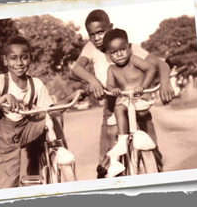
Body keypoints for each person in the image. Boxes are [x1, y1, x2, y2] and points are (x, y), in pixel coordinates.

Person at [71, 9, 174, 178]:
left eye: (101, 32)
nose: (97, 38)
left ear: (110, 27)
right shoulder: (91, 48)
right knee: (107, 160)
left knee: (153, 152)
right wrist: (92, 81)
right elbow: (76, 69)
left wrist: (165, 83)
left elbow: (160, 65)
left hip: (137, 102)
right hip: (113, 106)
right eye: (92, 34)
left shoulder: (127, 47)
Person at [0, 35, 75, 189]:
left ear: (30, 59)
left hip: (27, 129)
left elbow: (51, 111)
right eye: (13, 58)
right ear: (5, 60)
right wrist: (5, 97)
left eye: (24, 58)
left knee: (50, 118)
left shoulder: (36, 84)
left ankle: (61, 152)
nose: (19, 63)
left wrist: (72, 97)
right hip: (5, 138)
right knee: (7, 187)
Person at [103, 28, 156, 177]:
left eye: (123, 49)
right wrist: (113, 90)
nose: (119, 54)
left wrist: (143, 86)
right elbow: (110, 86)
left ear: (129, 47)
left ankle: (124, 143)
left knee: (120, 110)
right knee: (112, 129)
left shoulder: (134, 60)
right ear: (108, 55)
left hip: (140, 100)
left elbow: (151, 69)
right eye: (114, 52)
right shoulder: (112, 69)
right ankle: (116, 161)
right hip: (125, 102)